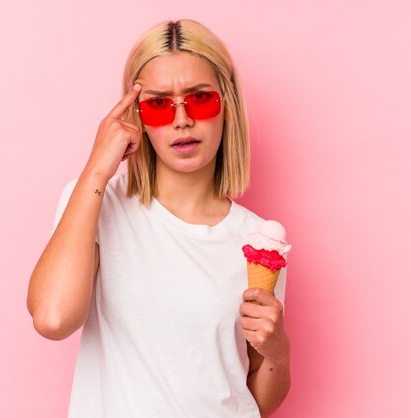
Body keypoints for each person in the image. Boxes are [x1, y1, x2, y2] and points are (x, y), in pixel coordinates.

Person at [27, 19, 292, 418]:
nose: (181, 119)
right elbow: (52, 318)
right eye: (158, 104)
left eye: (200, 98)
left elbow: (254, 400)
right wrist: (98, 167)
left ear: (227, 104)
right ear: (136, 116)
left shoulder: (259, 242)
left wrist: (278, 353)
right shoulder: (95, 204)